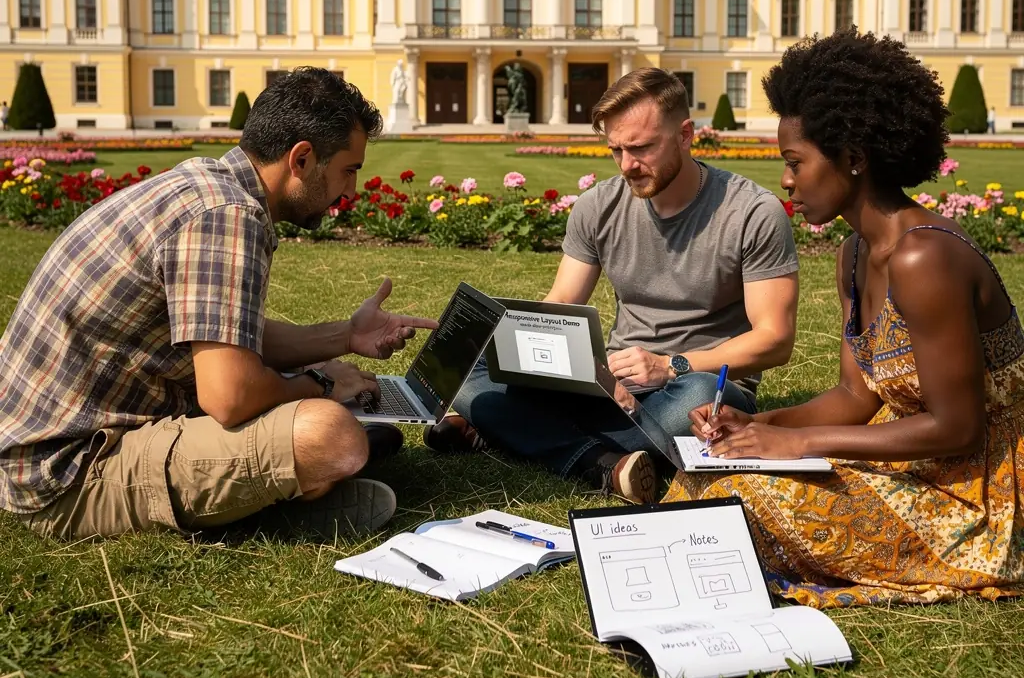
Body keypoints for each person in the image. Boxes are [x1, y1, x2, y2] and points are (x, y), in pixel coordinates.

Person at [0, 68, 437, 542]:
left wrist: (346, 336)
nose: (350, 190)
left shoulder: (209, 184)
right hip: (66, 474)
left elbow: (228, 331)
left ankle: (294, 479)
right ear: (303, 159)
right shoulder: (228, 215)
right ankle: (279, 500)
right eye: (348, 170)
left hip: (44, 445)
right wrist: (322, 383)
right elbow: (231, 397)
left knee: (323, 416)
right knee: (328, 433)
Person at [670, 28, 1024, 607]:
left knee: (732, 507)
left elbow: (960, 428)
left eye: (795, 162)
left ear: (854, 158)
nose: (786, 181)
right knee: (704, 482)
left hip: (978, 495)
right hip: (918, 462)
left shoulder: (924, 257)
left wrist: (796, 442)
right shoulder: (855, 253)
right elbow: (855, 398)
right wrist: (763, 426)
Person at [424, 68, 799, 504]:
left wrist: (670, 365)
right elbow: (563, 300)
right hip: (611, 382)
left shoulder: (752, 212)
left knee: (693, 401)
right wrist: (550, 359)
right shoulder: (597, 205)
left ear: (685, 135)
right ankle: (601, 461)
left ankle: (518, 433)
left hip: (701, 383)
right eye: (615, 150)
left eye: (641, 148)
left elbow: (775, 341)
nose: (627, 166)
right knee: (472, 373)